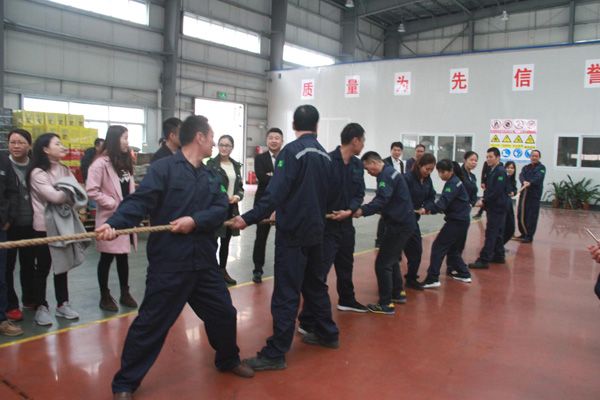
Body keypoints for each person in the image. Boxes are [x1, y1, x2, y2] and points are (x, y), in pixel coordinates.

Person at [96, 115, 254, 400]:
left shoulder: (211, 175)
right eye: (211, 135)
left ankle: (228, 359)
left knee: (224, 314)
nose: (214, 141)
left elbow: (219, 210)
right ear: (200, 138)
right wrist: (114, 224)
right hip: (170, 263)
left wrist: (194, 220)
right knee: (151, 323)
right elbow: (140, 201)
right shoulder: (164, 169)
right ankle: (124, 383)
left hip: (203, 263)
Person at [229, 105, 339, 371]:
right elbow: (330, 195)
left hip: (293, 234)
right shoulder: (325, 156)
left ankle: (275, 353)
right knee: (314, 285)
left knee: (286, 292)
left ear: (292, 126)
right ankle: (328, 334)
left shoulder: (291, 152)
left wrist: (248, 217)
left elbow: (274, 194)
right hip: (316, 232)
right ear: (316, 126)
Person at [298, 123, 367, 334]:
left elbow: (360, 193)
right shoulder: (327, 161)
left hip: (346, 226)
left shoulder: (357, 165)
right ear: (355, 140)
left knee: (346, 266)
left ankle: (347, 299)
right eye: (363, 140)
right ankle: (306, 321)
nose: (364, 145)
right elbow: (317, 192)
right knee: (319, 275)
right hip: (327, 228)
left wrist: (351, 210)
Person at [28, 133, 81, 326]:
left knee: (62, 266)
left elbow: (78, 197)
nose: (62, 146)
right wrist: (68, 191)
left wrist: (66, 192)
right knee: (42, 268)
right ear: (45, 149)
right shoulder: (37, 173)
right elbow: (55, 197)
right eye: (57, 144)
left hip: (64, 225)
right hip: (44, 227)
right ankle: (40, 307)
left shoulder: (66, 170)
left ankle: (62, 304)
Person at [354, 151, 416, 315]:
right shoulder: (391, 172)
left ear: (374, 162)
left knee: (382, 264)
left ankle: (386, 303)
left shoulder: (386, 175)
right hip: (404, 222)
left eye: (368, 169)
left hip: (399, 225)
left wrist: (362, 210)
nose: (369, 172)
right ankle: (398, 293)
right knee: (392, 259)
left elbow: (382, 199)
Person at [87, 126, 138, 312]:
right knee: (107, 257)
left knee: (123, 256)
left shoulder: (124, 161)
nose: (127, 141)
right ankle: (105, 294)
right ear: (116, 139)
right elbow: (91, 190)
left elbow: (128, 188)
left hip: (125, 217)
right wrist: (113, 203)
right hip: (110, 217)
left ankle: (125, 292)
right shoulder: (100, 163)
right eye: (125, 137)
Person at [419, 160, 472, 288]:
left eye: (443, 172)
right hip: (462, 219)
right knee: (452, 249)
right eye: (439, 172)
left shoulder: (452, 184)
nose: (441, 175)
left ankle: (432, 278)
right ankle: (464, 274)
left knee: (438, 246)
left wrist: (429, 210)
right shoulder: (454, 181)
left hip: (457, 221)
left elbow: (444, 201)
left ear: (451, 171)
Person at [5, 129, 36, 323]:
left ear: (29, 146)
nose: (16, 146)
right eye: (12, 142)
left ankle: (30, 298)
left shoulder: (35, 167)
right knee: (7, 267)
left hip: (31, 223)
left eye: (21, 142)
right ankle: (11, 304)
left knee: (28, 265)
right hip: (9, 225)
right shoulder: (4, 165)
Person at [207, 135, 244, 285]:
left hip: (231, 208)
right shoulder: (211, 164)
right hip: (216, 208)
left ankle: (222, 270)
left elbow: (240, 187)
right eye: (221, 145)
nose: (223, 148)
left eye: (227, 145)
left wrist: (237, 196)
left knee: (226, 241)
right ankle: (211, 272)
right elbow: (210, 185)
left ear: (232, 147)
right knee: (212, 241)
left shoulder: (236, 165)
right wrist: (222, 197)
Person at [469, 148, 510, 270]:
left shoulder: (500, 172)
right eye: (487, 157)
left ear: (498, 158)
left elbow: (497, 191)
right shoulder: (493, 171)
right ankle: (499, 255)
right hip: (496, 206)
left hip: (497, 207)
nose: (488, 159)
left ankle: (484, 259)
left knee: (491, 233)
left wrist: (484, 201)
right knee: (497, 232)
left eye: (491, 157)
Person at [252, 128, 284, 283]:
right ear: (266, 141)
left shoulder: (287, 157)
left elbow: (287, 179)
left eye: (277, 138)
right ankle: (257, 269)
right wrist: (278, 178)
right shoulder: (260, 158)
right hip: (263, 203)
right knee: (261, 238)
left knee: (284, 236)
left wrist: (271, 175)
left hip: (283, 203)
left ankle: (283, 268)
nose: (273, 140)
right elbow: (261, 178)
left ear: (282, 141)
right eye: (271, 138)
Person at [402, 153, 437, 291]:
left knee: (416, 250)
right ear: (419, 165)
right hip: (402, 220)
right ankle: (390, 283)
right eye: (427, 169)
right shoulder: (407, 178)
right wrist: (408, 208)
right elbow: (401, 197)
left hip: (413, 221)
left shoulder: (427, 180)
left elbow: (431, 196)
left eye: (431, 170)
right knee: (394, 254)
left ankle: (411, 278)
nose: (428, 172)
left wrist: (425, 207)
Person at [0, 150, 22, 336]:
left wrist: (9, 217)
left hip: (1, 227)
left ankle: (1, 319)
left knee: (1, 276)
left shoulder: (3, 160)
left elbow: (12, 192)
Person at [376, 141, 405, 246]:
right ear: (391, 150)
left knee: (393, 215)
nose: (396, 152)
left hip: (396, 193)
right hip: (387, 191)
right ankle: (379, 239)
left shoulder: (401, 163)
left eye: (399, 150)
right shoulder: (385, 161)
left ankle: (391, 238)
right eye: (394, 150)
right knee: (384, 215)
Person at [516, 150, 545, 243]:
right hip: (524, 195)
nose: (534, 157)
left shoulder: (541, 168)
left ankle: (529, 236)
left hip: (534, 196)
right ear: (530, 157)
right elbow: (521, 175)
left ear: (539, 157)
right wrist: (524, 181)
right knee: (521, 214)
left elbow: (538, 177)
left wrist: (530, 183)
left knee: (531, 216)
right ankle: (523, 233)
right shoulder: (526, 168)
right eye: (533, 156)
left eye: (536, 156)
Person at [503, 161, 518, 244]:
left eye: (512, 168)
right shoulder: (503, 178)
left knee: (510, 227)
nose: (510, 169)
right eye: (508, 167)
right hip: (502, 205)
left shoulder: (512, 180)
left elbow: (515, 189)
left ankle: (501, 245)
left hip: (509, 205)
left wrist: (513, 192)